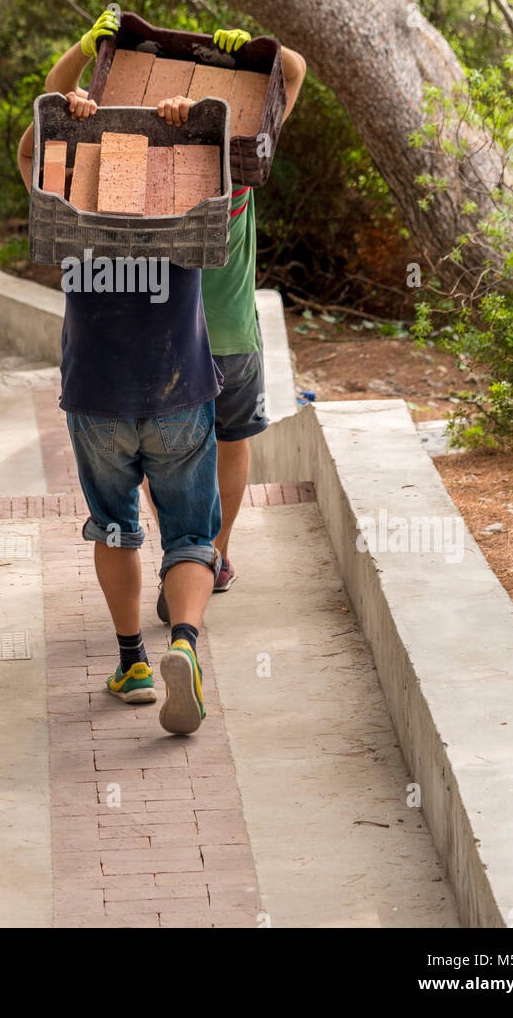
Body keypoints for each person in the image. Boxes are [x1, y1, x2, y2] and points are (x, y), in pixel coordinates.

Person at [17, 10, 222, 736]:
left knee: (113, 527)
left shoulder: (69, 192)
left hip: (96, 392)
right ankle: (186, 645)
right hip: (179, 389)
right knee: (192, 534)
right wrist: (185, 127)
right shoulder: (192, 183)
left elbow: (31, 147)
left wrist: (72, 94)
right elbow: (244, 151)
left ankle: (132, 660)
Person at [153, 31, 307, 619]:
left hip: (165, 348)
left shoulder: (150, 183)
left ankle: (181, 555)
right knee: (231, 444)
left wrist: (95, 47)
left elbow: (50, 111)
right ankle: (215, 553)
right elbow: (292, 73)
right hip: (233, 339)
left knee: (162, 455)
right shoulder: (240, 167)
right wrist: (257, 49)